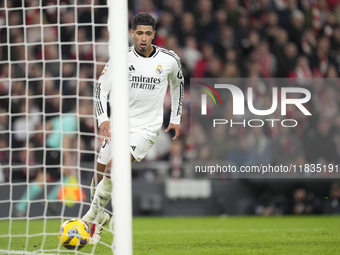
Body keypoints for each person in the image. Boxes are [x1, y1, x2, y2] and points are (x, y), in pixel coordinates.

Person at [82, 12, 184, 244]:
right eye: (139, 33)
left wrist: (175, 117)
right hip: (118, 124)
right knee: (98, 174)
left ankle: (89, 220)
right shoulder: (120, 58)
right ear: (132, 33)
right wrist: (103, 119)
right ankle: (101, 220)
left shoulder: (169, 59)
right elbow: (101, 88)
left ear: (154, 35)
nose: (144, 38)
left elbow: (178, 85)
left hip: (146, 129)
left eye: (148, 33)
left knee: (112, 168)